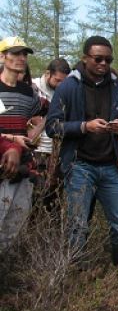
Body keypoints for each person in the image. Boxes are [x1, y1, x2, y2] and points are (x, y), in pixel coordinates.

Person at [45, 36, 118, 265]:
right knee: (78, 226)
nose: (103, 63)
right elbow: (52, 127)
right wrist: (85, 126)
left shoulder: (117, 87)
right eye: (98, 59)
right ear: (85, 58)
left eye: (108, 60)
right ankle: (76, 273)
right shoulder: (68, 87)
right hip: (79, 166)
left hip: (110, 166)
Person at [0, 36, 45, 251]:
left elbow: (51, 110)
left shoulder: (29, 92)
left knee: (13, 231)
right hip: (2, 165)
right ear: (3, 56)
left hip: (23, 168)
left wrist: (35, 132)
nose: (22, 58)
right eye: (16, 53)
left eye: (24, 54)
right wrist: (12, 140)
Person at [31, 58, 71, 210]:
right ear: (48, 73)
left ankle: (51, 226)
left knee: (53, 198)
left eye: (64, 82)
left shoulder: (65, 93)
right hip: (35, 150)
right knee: (33, 197)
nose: (60, 85)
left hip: (55, 152)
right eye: (57, 80)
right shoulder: (32, 87)